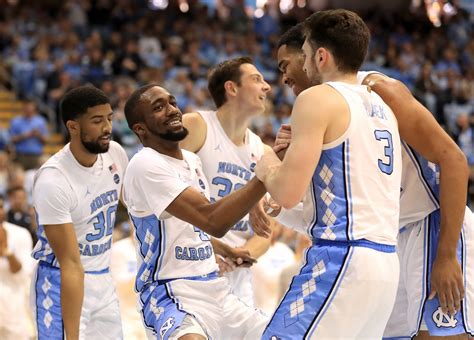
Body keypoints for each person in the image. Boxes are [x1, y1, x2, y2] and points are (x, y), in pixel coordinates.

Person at [275, 23, 473, 338]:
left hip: (433, 222)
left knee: (444, 335)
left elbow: (455, 160)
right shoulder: (326, 116)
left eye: (286, 65)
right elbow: (331, 218)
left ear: (314, 55)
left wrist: (446, 255)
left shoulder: (376, 88)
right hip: (386, 242)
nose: (283, 77)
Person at [256, 10, 402, 338]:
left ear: (321, 57)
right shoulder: (381, 107)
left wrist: (266, 164)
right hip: (386, 262)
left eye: (305, 57)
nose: (303, 66)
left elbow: (287, 191)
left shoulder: (317, 98)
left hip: (342, 256)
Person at [123, 84, 270, 339]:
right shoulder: (145, 163)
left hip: (214, 287)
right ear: (140, 129)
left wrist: (227, 250)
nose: (171, 110)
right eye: (158, 108)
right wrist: (264, 176)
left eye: (172, 102)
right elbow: (211, 219)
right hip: (169, 291)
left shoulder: (192, 161)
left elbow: (191, 228)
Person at [31, 86, 129, 340]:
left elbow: (141, 209)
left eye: (109, 118)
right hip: (61, 280)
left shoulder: (115, 153)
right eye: (97, 121)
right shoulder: (53, 180)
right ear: (73, 126)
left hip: (103, 278)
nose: (107, 127)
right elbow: (71, 265)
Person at [180, 56, 272, 305]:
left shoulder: (262, 150)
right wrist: (212, 249)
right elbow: (169, 201)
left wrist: (240, 256)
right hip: (191, 266)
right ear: (231, 88)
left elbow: (266, 231)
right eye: (256, 79)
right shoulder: (197, 126)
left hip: (237, 275)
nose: (267, 86)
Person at [0, 195, 34, 340]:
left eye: (0, 207)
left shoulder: (20, 234)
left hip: (14, 312)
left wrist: (7, 251)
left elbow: (24, 276)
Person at [9, 99, 48, 170]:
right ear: (23, 107)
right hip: (21, 155)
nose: (28, 108)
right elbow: (11, 139)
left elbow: (45, 141)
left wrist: (38, 134)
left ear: (34, 107)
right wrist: (25, 135)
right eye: (26, 106)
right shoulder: (16, 121)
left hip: (36, 155)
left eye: (30, 106)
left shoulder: (41, 121)